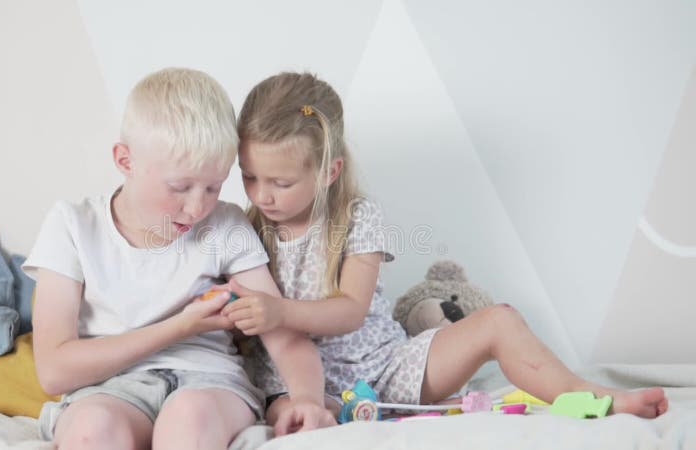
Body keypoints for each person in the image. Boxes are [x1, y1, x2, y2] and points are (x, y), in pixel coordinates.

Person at [221, 71, 669, 424]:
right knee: (286, 409)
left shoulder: (357, 217)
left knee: (499, 320)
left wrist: (279, 311)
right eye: (249, 176)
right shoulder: (243, 230)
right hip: (296, 383)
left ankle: (585, 397)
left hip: (389, 370)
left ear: (328, 172)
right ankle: (319, 418)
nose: (262, 195)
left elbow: (352, 310)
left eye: (280, 182)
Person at [23, 68, 335, 450]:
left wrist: (306, 399)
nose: (196, 207)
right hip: (110, 388)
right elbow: (54, 372)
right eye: (180, 187)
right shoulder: (72, 226)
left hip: (210, 383)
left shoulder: (225, 224)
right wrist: (181, 326)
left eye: (213, 187)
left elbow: (282, 334)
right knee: (92, 429)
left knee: (189, 420)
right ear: (125, 160)